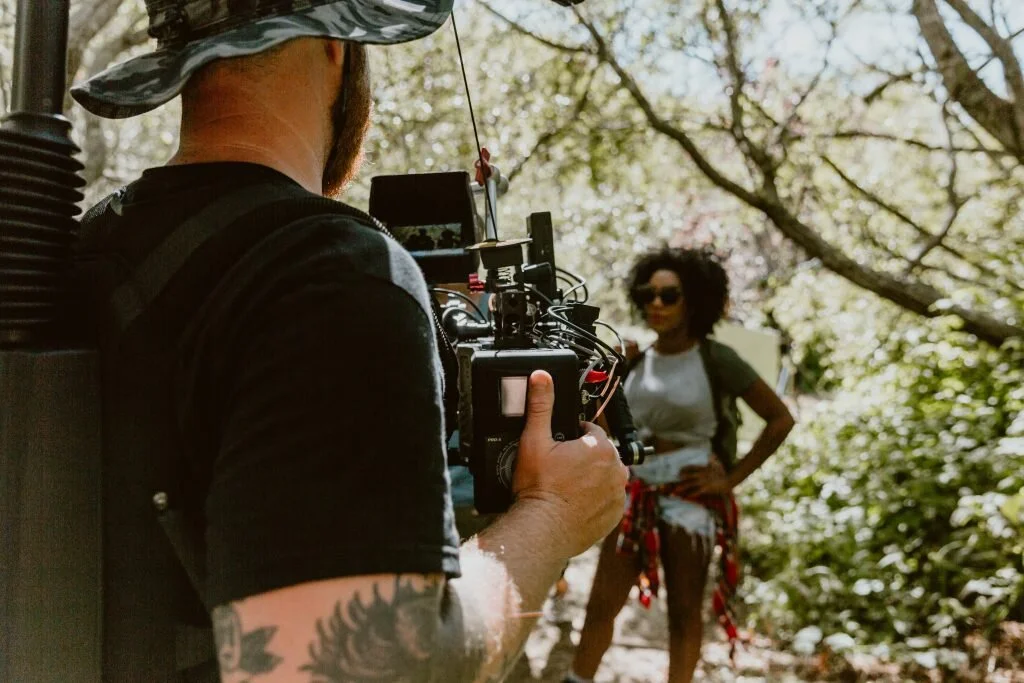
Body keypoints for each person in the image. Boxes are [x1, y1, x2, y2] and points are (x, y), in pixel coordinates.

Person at [69, 2, 628, 681]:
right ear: (337, 43)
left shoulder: (81, 249)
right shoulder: (333, 273)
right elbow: (369, 666)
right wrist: (554, 514)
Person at [565, 247, 795, 683]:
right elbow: (595, 421)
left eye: (669, 295)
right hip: (634, 493)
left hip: (690, 497)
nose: (656, 303)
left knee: (684, 616)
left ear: (694, 301)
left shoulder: (716, 359)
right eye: (648, 293)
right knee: (600, 605)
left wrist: (729, 480)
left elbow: (780, 419)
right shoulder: (635, 359)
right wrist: (611, 367)